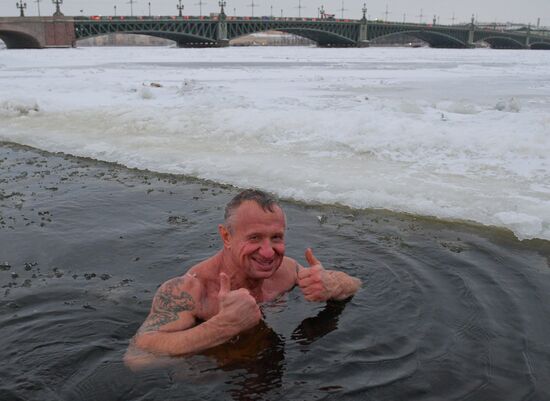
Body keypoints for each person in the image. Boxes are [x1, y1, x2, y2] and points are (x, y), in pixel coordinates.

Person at [125, 189, 361, 366]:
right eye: (255, 238)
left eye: (276, 238)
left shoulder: (286, 270)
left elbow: (357, 285)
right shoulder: (190, 290)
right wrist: (222, 327)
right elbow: (137, 356)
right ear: (226, 236)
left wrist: (334, 284)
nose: (269, 252)